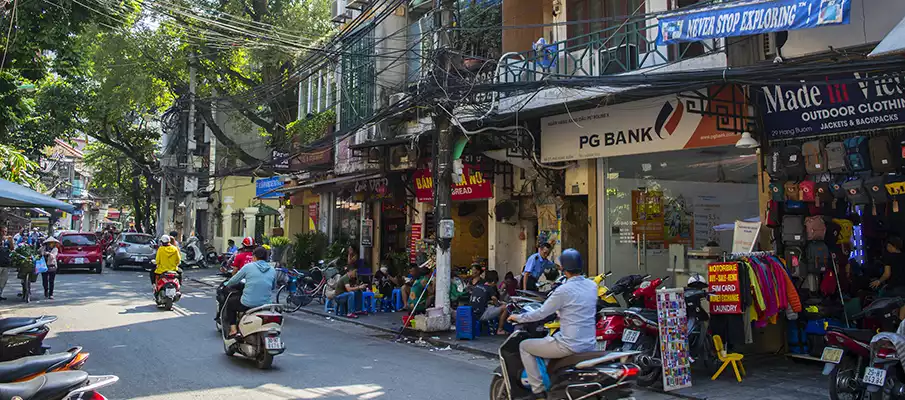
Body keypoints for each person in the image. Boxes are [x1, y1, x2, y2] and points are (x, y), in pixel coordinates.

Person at [508, 249, 597, 399]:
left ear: (563, 269)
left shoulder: (563, 290)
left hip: (569, 344)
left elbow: (541, 313)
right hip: (589, 344)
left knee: (525, 347)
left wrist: (519, 317)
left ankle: (538, 391)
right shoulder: (592, 286)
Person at [222, 247, 276, 337]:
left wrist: (226, 284)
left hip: (247, 303)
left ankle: (233, 330)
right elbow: (273, 286)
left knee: (230, 303)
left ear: (254, 257)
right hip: (265, 304)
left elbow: (234, 280)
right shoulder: (272, 270)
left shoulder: (248, 267)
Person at [471, 271, 510, 335]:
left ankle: (495, 326)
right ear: (493, 282)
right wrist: (498, 304)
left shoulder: (478, 286)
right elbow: (494, 299)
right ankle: (500, 330)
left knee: (495, 308)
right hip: (481, 315)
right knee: (505, 308)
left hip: (473, 313)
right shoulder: (489, 288)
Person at [0, 225, 12, 301]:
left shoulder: (7, 240)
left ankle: (0, 294)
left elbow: (12, 248)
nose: (4, 233)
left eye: (5, 231)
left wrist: (11, 241)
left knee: (3, 281)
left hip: (6, 263)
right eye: (3, 231)